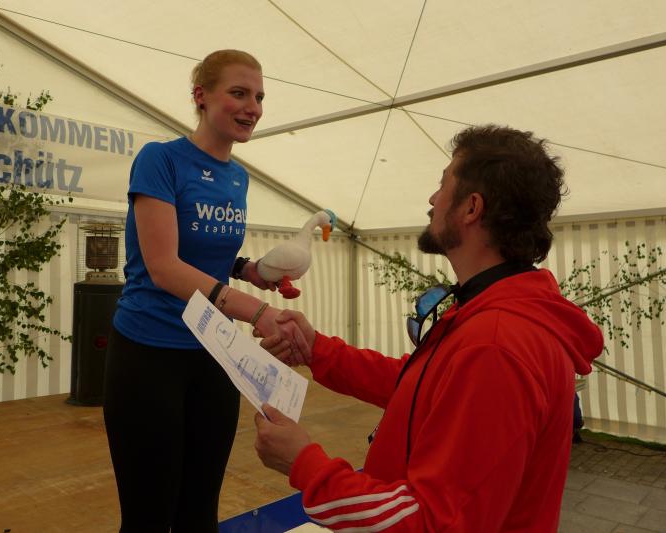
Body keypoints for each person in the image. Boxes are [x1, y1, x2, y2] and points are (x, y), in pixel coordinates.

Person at [254, 125, 604, 532]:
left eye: (442, 184)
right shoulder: (491, 310)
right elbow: (419, 388)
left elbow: (433, 523)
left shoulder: (496, 345)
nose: (433, 199)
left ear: (471, 208)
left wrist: (304, 464)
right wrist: (317, 349)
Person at [103, 49, 287, 532]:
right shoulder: (160, 159)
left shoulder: (238, 177)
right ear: (201, 96)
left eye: (259, 97)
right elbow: (164, 266)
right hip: (149, 352)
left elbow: (203, 254)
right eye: (239, 93)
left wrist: (249, 269)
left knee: (199, 513)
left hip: (213, 353)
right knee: (148, 518)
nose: (253, 107)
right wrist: (257, 311)